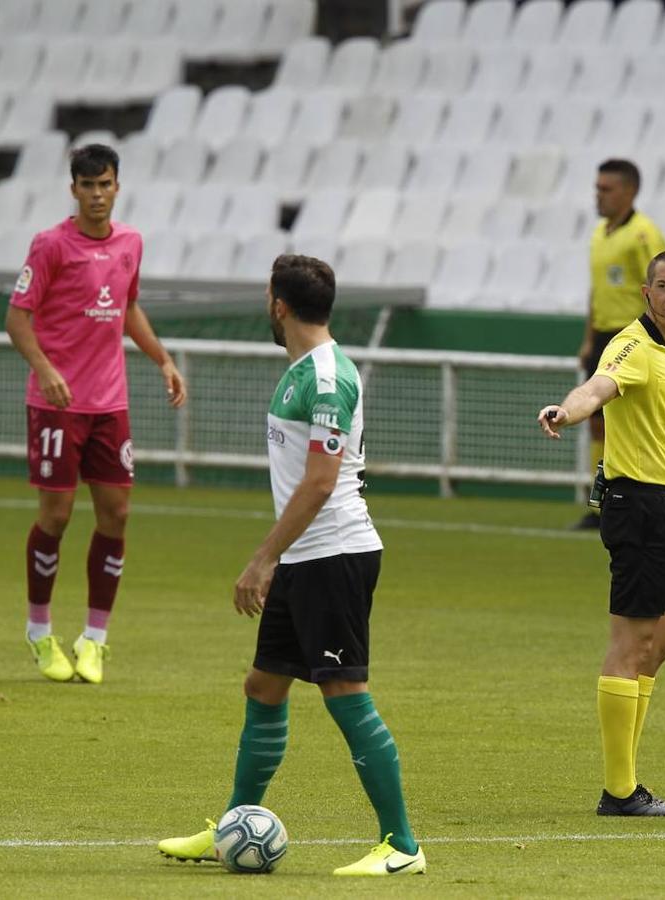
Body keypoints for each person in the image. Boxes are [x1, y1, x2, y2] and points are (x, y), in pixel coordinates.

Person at [158, 255, 426, 876]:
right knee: (264, 686)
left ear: (278, 304)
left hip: (333, 554)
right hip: (306, 557)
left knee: (345, 695)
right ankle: (234, 825)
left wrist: (264, 556)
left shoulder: (327, 377)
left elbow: (322, 481)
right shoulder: (300, 371)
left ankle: (403, 845)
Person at [538, 248, 665, 816]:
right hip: (638, 506)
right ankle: (620, 791)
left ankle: (625, 782)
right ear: (646, 294)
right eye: (664, 287)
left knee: (661, 645)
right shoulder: (633, 345)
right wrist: (567, 411)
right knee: (630, 646)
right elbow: (597, 388)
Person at [4, 143, 186, 685]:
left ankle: (95, 640)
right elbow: (17, 320)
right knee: (55, 518)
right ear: (74, 190)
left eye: (105, 184)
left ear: (117, 186)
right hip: (58, 405)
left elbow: (127, 306)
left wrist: (162, 359)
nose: (97, 195)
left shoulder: (130, 243)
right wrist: (47, 369)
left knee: (117, 515)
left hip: (110, 405)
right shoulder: (50, 245)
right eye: (88, 186)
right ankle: (39, 633)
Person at [573, 158, 665, 530]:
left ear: (629, 192)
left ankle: (656, 492)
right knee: (598, 425)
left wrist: (658, 342)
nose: (599, 195)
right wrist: (589, 337)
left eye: (606, 188)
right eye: (597, 187)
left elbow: (662, 286)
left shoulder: (644, 235)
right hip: (603, 339)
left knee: (640, 424)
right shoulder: (599, 233)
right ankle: (601, 504)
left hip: (635, 339)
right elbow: (596, 291)